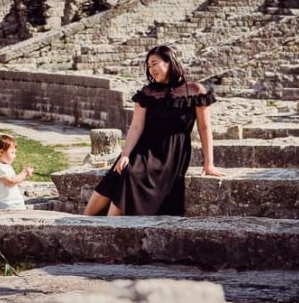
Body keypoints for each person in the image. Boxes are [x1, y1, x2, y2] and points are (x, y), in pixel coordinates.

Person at [83, 45, 223, 216]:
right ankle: (86, 221)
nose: (151, 69)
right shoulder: (148, 92)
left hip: (171, 152)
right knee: (119, 172)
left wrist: (209, 163)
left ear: (169, 62)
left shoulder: (195, 90)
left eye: (154, 63)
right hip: (143, 148)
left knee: (130, 173)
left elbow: (204, 127)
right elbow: (136, 126)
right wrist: (125, 154)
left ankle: (110, 226)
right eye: (149, 66)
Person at [0, 134, 34, 210]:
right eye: (12, 152)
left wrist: (23, 175)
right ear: (1, 152)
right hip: (5, 203)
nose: (15, 156)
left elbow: (14, 180)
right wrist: (24, 173)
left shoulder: (5, 166)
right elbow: (10, 182)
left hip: (12, 202)